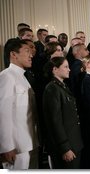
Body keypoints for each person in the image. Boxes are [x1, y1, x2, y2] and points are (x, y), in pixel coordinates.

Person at [0, 39, 39, 169]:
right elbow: (3, 113)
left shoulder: (22, 77)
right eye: (27, 51)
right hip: (16, 148)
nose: (31, 55)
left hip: (29, 142)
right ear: (13, 54)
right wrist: (6, 146)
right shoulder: (6, 76)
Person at [42, 57, 83, 169]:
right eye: (65, 67)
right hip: (66, 146)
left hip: (73, 143)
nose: (69, 70)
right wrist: (65, 148)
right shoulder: (52, 89)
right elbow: (55, 122)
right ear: (55, 69)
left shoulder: (62, 86)